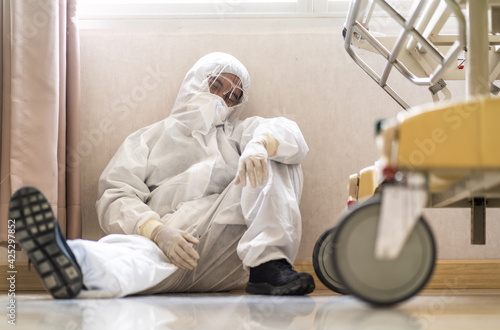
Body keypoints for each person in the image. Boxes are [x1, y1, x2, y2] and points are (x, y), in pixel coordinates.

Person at [9, 52, 314, 299]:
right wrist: (157, 231)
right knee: (132, 260)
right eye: (216, 85)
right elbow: (116, 195)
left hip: (229, 250)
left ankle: (269, 265)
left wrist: (260, 145)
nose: (224, 99)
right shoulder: (147, 139)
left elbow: (288, 134)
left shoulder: (238, 133)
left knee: (275, 158)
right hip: (167, 243)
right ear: (194, 81)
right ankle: (69, 261)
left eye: (234, 95)